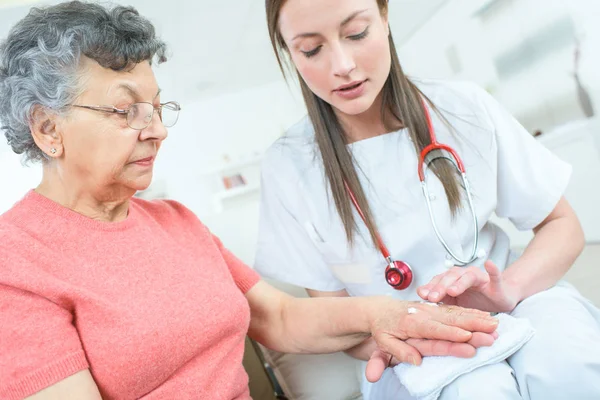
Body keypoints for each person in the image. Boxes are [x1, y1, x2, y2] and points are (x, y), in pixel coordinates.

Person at [0, 2, 500, 399]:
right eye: (127, 110)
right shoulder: (16, 262)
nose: (156, 131)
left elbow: (279, 318)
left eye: (157, 108)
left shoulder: (176, 221)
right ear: (48, 129)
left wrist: (387, 315)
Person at [254, 0, 600, 399]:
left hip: (519, 302)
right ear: (288, 51)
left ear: (384, 18)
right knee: (477, 391)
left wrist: (510, 289)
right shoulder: (289, 166)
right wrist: (397, 339)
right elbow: (334, 318)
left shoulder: (463, 108)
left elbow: (561, 224)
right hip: (406, 345)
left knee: (569, 367)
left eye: (356, 33)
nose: (342, 64)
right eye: (311, 49)